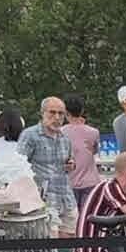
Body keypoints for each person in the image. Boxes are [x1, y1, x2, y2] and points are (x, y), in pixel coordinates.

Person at [19, 96, 76, 232]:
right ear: (42, 113)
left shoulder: (65, 138)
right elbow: (19, 165)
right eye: (52, 112)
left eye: (61, 113)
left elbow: (71, 161)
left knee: (70, 238)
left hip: (67, 198)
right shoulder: (30, 135)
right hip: (44, 202)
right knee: (50, 240)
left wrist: (71, 164)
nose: (57, 117)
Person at [63, 95, 104, 214]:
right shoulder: (94, 132)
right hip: (91, 181)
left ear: (66, 112)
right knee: (88, 217)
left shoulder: (60, 133)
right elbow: (94, 151)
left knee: (72, 219)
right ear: (82, 111)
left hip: (69, 182)